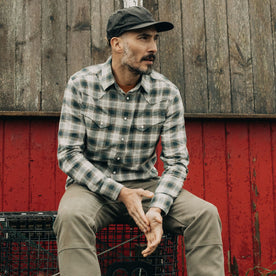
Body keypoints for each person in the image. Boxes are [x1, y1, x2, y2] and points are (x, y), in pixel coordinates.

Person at [54, 6, 225, 276]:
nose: (153, 47)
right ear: (117, 44)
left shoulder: (166, 92)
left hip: (147, 188)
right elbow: (69, 154)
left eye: (155, 39)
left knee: (204, 214)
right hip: (92, 188)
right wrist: (120, 193)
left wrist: (158, 207)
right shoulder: (81, 84)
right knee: (71, 216)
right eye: (144, 38)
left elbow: (177, 162)